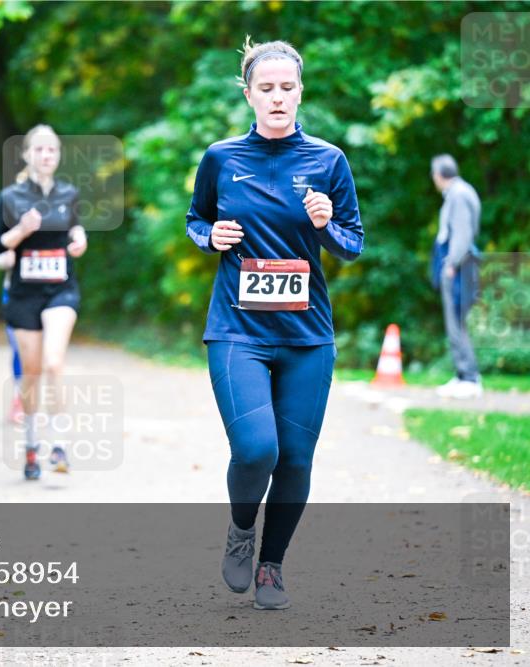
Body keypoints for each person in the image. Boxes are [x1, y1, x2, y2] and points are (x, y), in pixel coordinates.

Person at [185, 37, 364, 610]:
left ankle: (271, 566)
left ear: (300, 92)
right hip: (237, 330)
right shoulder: (221, 158)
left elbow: (352, 246)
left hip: (306, 336)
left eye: (288, 88)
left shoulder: (329, 161)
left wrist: (326, 223)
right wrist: (210, 236)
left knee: (295, 458)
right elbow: (197, 219)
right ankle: (242, 530)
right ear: (248, 94)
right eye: (267, 88)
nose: (278, 98)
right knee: (257, 448)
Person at [0, 124, 88, 480]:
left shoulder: (68, 194)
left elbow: (75, 228)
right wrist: (21, 231)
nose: (46, 156)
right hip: (24, 294)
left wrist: (78, 239)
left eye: (52, 150)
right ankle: (31, 445)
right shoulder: (10, 198)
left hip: (61, 289)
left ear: (58, 156)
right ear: (28, 155)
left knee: (54, 363)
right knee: (30, 373)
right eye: (40, 150)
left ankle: (58, 444)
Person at [429, 154, 482, 399]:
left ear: (439, 175)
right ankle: (463, 375)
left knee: (456, 323)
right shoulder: (461, 191)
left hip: (459, 266)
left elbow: (461, 233)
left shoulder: (458, 194)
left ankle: (469, 378)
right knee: (456, 323)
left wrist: (451, 264)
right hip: (461, 264)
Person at [0, 249, 25, 423]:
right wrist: (7, 258)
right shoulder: (14, 222)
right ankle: (19, 399)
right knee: (19, 348)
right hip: (14, 293)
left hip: (49, 295)